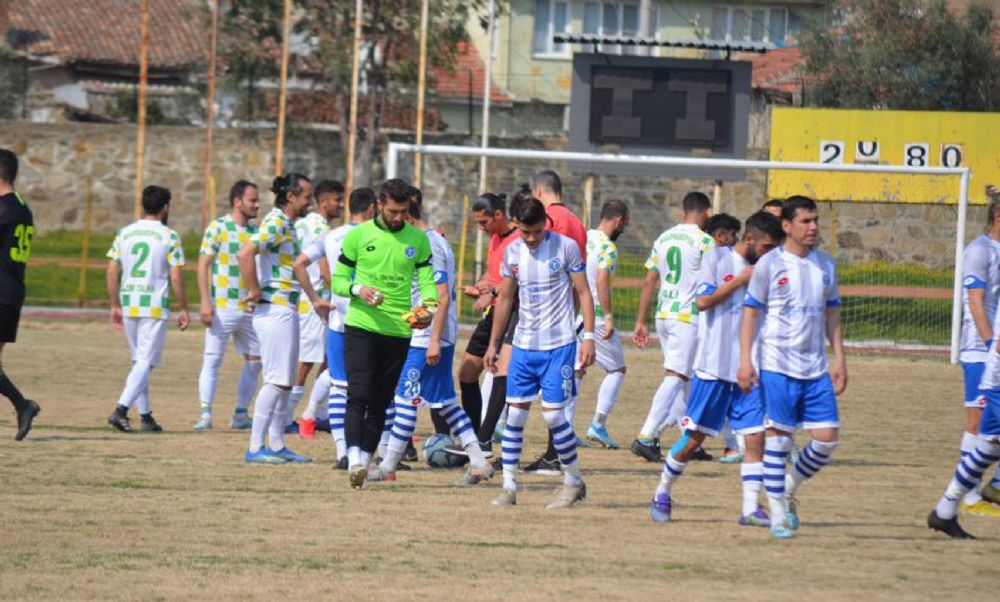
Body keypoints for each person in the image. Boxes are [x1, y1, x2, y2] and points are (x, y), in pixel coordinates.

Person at [650, 211, 783, 527]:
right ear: (749, 240)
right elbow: (702, 302)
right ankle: (662, 492)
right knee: (694, 440)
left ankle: (750, 508)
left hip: (749, 371)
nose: (769, 254)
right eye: (766, 247)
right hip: (713, 369)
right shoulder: (717, 259)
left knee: (754, 438)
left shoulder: (766, 270)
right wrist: (739, 281)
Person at [364, 187, 493, 485]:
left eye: (396, 216)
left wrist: (433, 339)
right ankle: (478, 462)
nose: (393, 222)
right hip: (426, 334)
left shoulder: (430, 244)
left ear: (407, 215)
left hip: (428, 337)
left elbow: (442, 297)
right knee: (445, 402)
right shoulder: (427, 240)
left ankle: (388, 466)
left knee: (406, 398)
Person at [737, 196, 847, 540]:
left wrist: (840, 357)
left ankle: (785, 486)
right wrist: (745, 360)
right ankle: (780, 515)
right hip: (776, 365)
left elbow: (832, 313)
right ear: (787, 226)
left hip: (814, 367)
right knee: (779, 441)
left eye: (815, 220)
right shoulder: (770, 264)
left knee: (827, 438)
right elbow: (751, 312)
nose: (813, 227)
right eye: (805, 221)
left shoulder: (826, 265)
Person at [487, 197, 596, 508]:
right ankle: (508, 487)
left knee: (552, 415)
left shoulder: (566, 247)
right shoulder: (512, 252)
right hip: (523, 345)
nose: (531, 239)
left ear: (545, 224)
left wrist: (588, 337)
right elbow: (506, 300)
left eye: (536, 232)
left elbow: (584, 292)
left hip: (559, 344)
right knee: (516, 415)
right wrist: (495, 343)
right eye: (525, 232)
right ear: (517, 227)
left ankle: (573, 482)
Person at [331, 178, 437, 489]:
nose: (398, 217)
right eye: (392, 211)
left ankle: (364, 461)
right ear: (379, 205)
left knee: (381, 401)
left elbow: (428, 285)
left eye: (403, 212)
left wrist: (427, 308)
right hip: (362, 327)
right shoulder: (358, 236)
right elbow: (338, 281)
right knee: (359, 393)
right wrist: (358, 289)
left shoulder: (418, 240)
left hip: (399, 331)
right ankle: (352, 457)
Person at [294, 187, 376, 468]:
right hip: (370, 322)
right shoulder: (374, 235)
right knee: (374, 387)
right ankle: (377, 452)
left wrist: (317, 299)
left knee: (339, 386)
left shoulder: (331, 236)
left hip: (339, 322)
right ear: (373, 208)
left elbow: (300, 264)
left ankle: (342, 452)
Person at [236, 173, 313, 464]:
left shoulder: (287, 224)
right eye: (306, 195)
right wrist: (255, 289)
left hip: (285, 308)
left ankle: (277, 445)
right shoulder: (277, 222)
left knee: (284, 381)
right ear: (290, 197)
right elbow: (245, 254)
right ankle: (256, 447)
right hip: (274, 309)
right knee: (276, 380)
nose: (310, 201)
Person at [631, 192, 714, 462]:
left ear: (682, 211)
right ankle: (646, 435)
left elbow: (648, 281)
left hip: (664, 313)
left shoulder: (663, 238)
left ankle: (688, 439)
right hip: (686, 316)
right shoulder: (705, 242)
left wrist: (641, 320)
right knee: (676, 376)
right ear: (707, 213)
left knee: (683, 376)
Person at [106, 185, 189, 432]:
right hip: (153, 304)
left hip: (130, 301)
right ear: (166, 208)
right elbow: (175, 275)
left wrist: (113, 304)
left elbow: (112, 269)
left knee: (139, 361)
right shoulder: (169, 236)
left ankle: (146, 416)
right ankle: (121, 410)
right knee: (145, 361)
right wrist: (184, 306)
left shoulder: (125, 233)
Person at [444, 193, 519, 461]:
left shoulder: (519, 239)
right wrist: (480, 286)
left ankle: (485, 440)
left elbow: (515, 284)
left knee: (501, 372)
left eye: (484, 221)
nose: (481, 227)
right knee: (466, 373)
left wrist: (492, 293)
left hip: (513, 314)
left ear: (499, 215)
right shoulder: (495, 238)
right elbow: (493, 275)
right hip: (493, 313)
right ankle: (473, 436)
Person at [525, 170, 589, 475]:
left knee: (547, 396)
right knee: (559, 392)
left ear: (538, 191)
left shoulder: (547, 219)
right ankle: (555, 455)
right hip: (566, 315)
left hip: (544, 319)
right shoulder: (577, 221)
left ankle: (554, 457)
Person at [192, 180, 262, 431]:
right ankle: (205, 414)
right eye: (252, 200)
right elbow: (203, 264)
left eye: (257, 199)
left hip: (249, 309)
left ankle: (241, 414)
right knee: (212, 360)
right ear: (237, 201)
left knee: (255, 361)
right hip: (222, 306)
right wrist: (204, 301)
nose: (257, 204)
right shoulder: (218, 227)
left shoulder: (256, 233)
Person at [951, 189, 1000, 515]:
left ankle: (994, 486)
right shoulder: (979, 251)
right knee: (978, 419)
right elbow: (976, 302)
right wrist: (989, 344)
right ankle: (967, 496)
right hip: (980, 349)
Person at [290, 179, 345, 438]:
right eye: (337, 200)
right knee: (308, 362)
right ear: (324, 202)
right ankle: (288, 417)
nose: (341, 205)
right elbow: (325, 271)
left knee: (325, 360)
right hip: (315, 303)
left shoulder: (303, 223)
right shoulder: (321, 228)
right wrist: (345, 293)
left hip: (305, 299)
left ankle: (319, 414)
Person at [580, 199, 630, 449]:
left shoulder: (583, 237)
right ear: (619, 220)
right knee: (617, 369)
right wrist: (608, 316)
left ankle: (565, 427)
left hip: (575, 313)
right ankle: (598, 424)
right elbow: (601, 281)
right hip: (596, 316)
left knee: (576, 369)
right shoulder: (608, 247)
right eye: (626, 223)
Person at [0, 149, 40, 440]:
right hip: (11, 290)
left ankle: (23, 404)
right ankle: (23, 405)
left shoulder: (4, 209)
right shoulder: (22, 207)